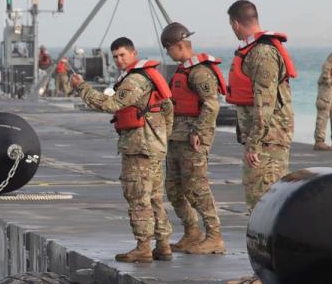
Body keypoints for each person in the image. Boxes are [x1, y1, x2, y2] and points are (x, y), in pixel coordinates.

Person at [71, 37, 173, 263]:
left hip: (139, 148)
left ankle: (143, 246)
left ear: (133, 53)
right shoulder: (148, 76)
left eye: (122, 55)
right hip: (153, 146)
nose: (119, 60)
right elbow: (168, 107)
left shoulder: (134, 81)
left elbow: (110, 105)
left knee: (138, 196)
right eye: (115, 56)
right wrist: (163, 136)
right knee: (155, 196)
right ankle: (163, 244)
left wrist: (81, 87)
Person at [160, 23, 226, 254]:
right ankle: (191, 232)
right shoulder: (182, 70)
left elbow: (211, 104)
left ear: (179, 45)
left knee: (197, 188)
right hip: (176, 137)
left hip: (192, 139)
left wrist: (198, 132)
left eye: (169, 49)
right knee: (174, 189)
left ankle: (215, 236)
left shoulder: (200, 72)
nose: (168, 54)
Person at [224, 0, 296, 212]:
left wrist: (254, 143)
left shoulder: (262, 53)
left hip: (268, 140)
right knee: (262, 198)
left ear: (236, 23)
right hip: (265, 137)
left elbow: (265, 102)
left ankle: (270, 245)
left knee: (264, 200)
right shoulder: (256, 50)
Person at [314, 44, 332, 151]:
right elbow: (326, 66)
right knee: (324, 110)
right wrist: (328, 81)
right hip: (328, 85)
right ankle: (319, 141)